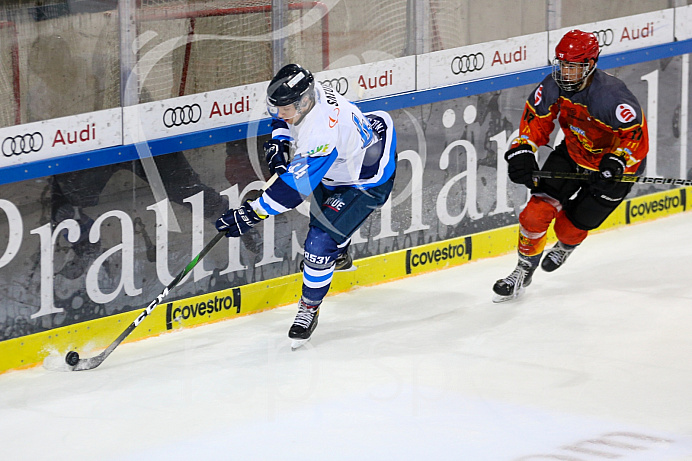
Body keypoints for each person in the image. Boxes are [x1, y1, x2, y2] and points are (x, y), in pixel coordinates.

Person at [215, 64, 397, 348]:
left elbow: (291, 192)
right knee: (327, 232)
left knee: (319, 244)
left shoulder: (322, 132)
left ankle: (309, 307)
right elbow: (284, 118)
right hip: (341, 162)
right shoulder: (309, 94)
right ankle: (338, 251)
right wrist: (280, 140)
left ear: (305, 101)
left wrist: (249, 215)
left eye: (285, 109)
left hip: (365, 178)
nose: (278, 114)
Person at [493, 30, 648, 302]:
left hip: (614, 169)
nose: (565, 72)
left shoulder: (611, 97)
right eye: (563, 64)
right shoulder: (553, 85)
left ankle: (566, 246)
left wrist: (618, 161)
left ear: (590, 65)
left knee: (569, 228)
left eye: (573, 67)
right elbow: (535, 119)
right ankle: (523, 269)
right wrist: (522, 149)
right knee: (534, 215)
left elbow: (635, 137)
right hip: (574, 154)